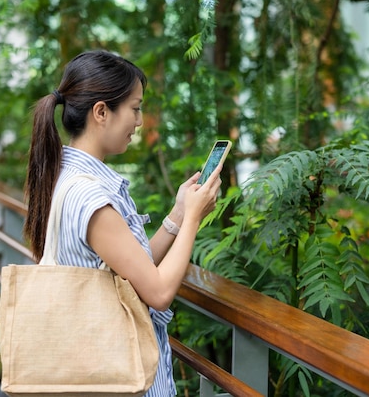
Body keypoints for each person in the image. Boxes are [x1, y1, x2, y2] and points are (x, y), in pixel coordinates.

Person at [22, 50, 223, 396]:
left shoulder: (64, 177)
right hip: (120, 378)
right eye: (135, 107)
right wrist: (192, 219)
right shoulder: (91, 198)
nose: (140, 121)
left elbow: (133, 266)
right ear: (101, 112)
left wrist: (176, 217)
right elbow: (158, 292)